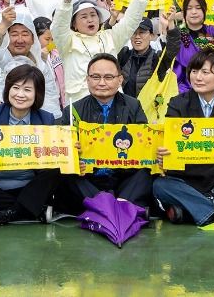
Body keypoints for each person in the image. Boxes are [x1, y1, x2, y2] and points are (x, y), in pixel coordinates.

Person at [154, 51, 214, 225]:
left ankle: (196, 210)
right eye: (194, 71)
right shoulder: (178, 103)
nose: (198, 77)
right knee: (160, 186)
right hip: (189, 182)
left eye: (205, 72)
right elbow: (172, 146)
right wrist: (164, 155)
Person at [56, 54, 153, 213]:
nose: (102, 82)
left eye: (108, 77)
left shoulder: (133, 105)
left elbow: (143, 148)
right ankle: (121, 210)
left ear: (120, 80)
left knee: (145, 172)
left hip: (123, 176)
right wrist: (73, 158)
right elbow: (62, 152)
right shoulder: (72, 111)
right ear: (87, 80)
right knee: (67, 175)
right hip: (88, 179)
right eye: (95, 77)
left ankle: (105, 209)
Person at [0, 65, 62, 228]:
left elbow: (53, 157)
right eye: (15, 88)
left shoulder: (46, 119)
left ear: (37, 93)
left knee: (54, 173)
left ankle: (6, 214)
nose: (20, 94)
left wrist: (65, 150)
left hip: (29, 187)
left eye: (27, 89)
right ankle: (34, 211)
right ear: (8, 89)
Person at [52, 0, 149, 102]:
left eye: (93, 15)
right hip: (80, 103)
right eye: (84, 16)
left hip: (112, 102)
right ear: (74, 24)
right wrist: (66, 3)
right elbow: (58, 27)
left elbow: (130, 22)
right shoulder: (67, 41)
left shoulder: (109, 37)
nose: (90, 20)